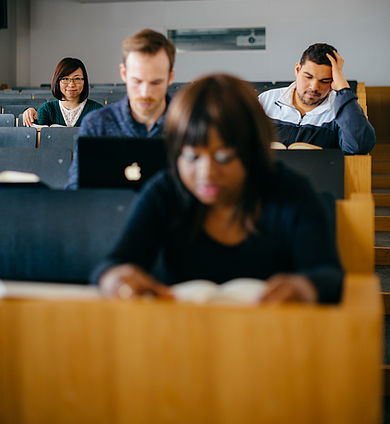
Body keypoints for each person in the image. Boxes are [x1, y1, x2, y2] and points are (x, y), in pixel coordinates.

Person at [94, 73, 344, 305]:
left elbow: (329, 275)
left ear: (253, 151)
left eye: (224, 157)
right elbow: (113, 265)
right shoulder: (165, 190)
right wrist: (117, 278)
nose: (207, 174)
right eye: (192, 157)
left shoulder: (291, 191)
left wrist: (303, 287)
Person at [66, 29, 175, 189]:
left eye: (155, 83)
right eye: (137, 81)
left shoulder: (188, 124)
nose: (145, 93)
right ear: (123, 73)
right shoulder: (96, 124)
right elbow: (76, 191)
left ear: (170, 77)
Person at [258, 43, 375, 154]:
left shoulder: (342, 109)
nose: (314, 87)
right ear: (298, 69)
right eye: (308, 77)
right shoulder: (266, 100)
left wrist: (343, 88)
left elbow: (359, 147)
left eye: (324, 81)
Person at [22, 57, 102, 127]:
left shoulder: (97, 110)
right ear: (57, 82)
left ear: (84, 81)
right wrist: (29, 112)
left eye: (77, 79)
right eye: (65, 79)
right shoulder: (47, 110)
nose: (71, 84)